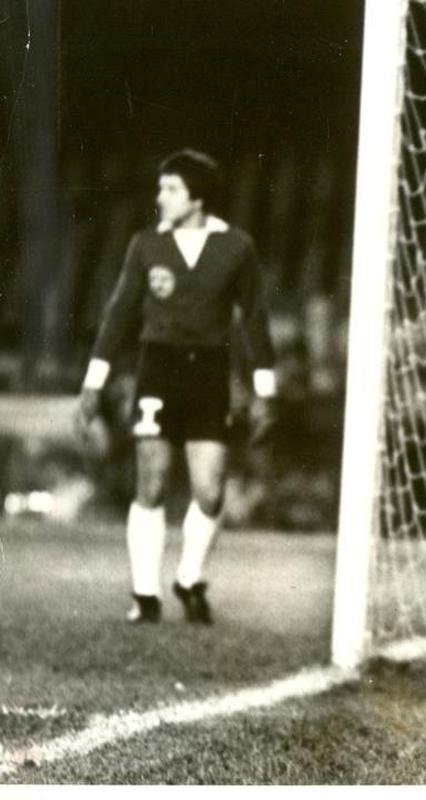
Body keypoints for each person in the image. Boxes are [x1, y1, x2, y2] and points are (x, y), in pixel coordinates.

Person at [76, 149, 277, 625]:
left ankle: (189, 578)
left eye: (170, 189)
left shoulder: (236, 247)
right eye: (160, 187)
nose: (159, 197)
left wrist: (265, 391)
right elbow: (119, 315)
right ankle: (145, 594)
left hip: (209, 373)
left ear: (197, 197)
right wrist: (92, 383)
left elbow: (254, 320)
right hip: (158, 369)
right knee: (152, 480)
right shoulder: (147, 245)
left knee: (209, 491)